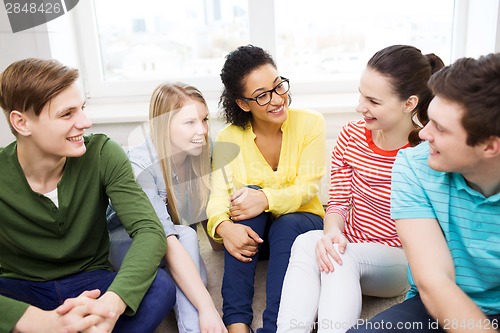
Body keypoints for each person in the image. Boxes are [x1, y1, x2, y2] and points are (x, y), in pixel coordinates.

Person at [277, 45, 445, 333]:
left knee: (342, 257)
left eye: (373, 101)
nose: (359, 107)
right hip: (350, 242)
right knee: (308, 241)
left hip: (397, 259)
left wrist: (339, 246)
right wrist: (332, 232)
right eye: (360, 94)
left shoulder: (426, 152)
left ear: (408, 104)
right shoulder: (351, 135)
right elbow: (339, 200)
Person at [0, 58, 175, 333]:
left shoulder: (103, 154)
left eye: (82, 108)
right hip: (22, 290)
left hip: (92, 283)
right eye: (67, 114)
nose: (85, 122)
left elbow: (149, 232)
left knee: (160, 286)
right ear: (22, 123)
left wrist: (112, 304)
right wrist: (40, 322)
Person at [347, 53, 500, 332]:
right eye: (429, 120)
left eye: (440, 128)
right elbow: (434, 282)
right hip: (433, 305)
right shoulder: (414, 165)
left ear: (490, 146)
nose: (424, 134)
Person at [206, 44, 326, 333]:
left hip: (301, 226)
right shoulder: (228, 137)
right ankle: (236, 325)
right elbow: (218, 196)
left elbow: (306, 189)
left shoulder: (311, 123)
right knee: (243, 200)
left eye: (278, 86)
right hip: (257, 236)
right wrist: (224, 227)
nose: (277, 99)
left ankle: (275, 327)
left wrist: (266, 199)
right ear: (243, 103)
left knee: (284, 220)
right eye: (262, 95)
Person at [106, 82, 227, 333]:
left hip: (171, 241)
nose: (202, 130)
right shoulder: (140, 165)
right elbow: (164, 237)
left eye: (204, 120)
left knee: (195, 274)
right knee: (186, 238)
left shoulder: (204, 150)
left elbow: (212, 229)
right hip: (123, 242)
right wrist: (208, 308)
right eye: (190, 122)